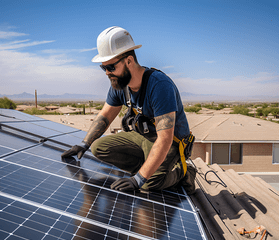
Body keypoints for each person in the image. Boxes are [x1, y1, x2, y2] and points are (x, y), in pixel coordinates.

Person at [61, 26, 196, 194]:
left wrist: (138, 179)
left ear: (129, 61)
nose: (107, 73)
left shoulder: (159, 86)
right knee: (98, 148)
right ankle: (148, 167)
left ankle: (182, 173)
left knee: (147, 184)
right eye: (103, 68)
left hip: (169, 142)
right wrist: (84, 144)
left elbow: (165, 139)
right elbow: (105, 115)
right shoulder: (119, 84)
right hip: (142, 136)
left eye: (110, 67)